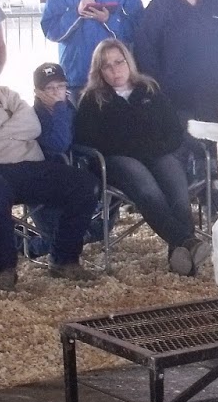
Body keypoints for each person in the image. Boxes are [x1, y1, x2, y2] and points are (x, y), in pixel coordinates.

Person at [0, 44, 97, 290]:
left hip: (28, 164)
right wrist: (3, 116)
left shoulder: (4, 92)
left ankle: (65, 258)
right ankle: (5, 269)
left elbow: (32, 127)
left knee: (83, 183)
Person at [73, 40, 207, 277]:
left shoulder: (149, 89)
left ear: (128, 61)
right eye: (107, 66)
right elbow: (89, 140)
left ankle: (181, 257)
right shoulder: (93, 99)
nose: (115, 70)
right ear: (99, 71)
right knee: (146, 188)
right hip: (117, 160)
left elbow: (174, 130)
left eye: (119, 62)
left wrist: (156, 147)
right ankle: (188, 242)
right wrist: (136, 146)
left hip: (157, 154)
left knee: (178, 190)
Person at [32, 61, 73, 163]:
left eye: (60, 86)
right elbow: (59, 145)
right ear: (38, 93)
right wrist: (59, 108)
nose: (56, 91)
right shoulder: (33, 117)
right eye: (49, 88)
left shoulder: (72, 110)